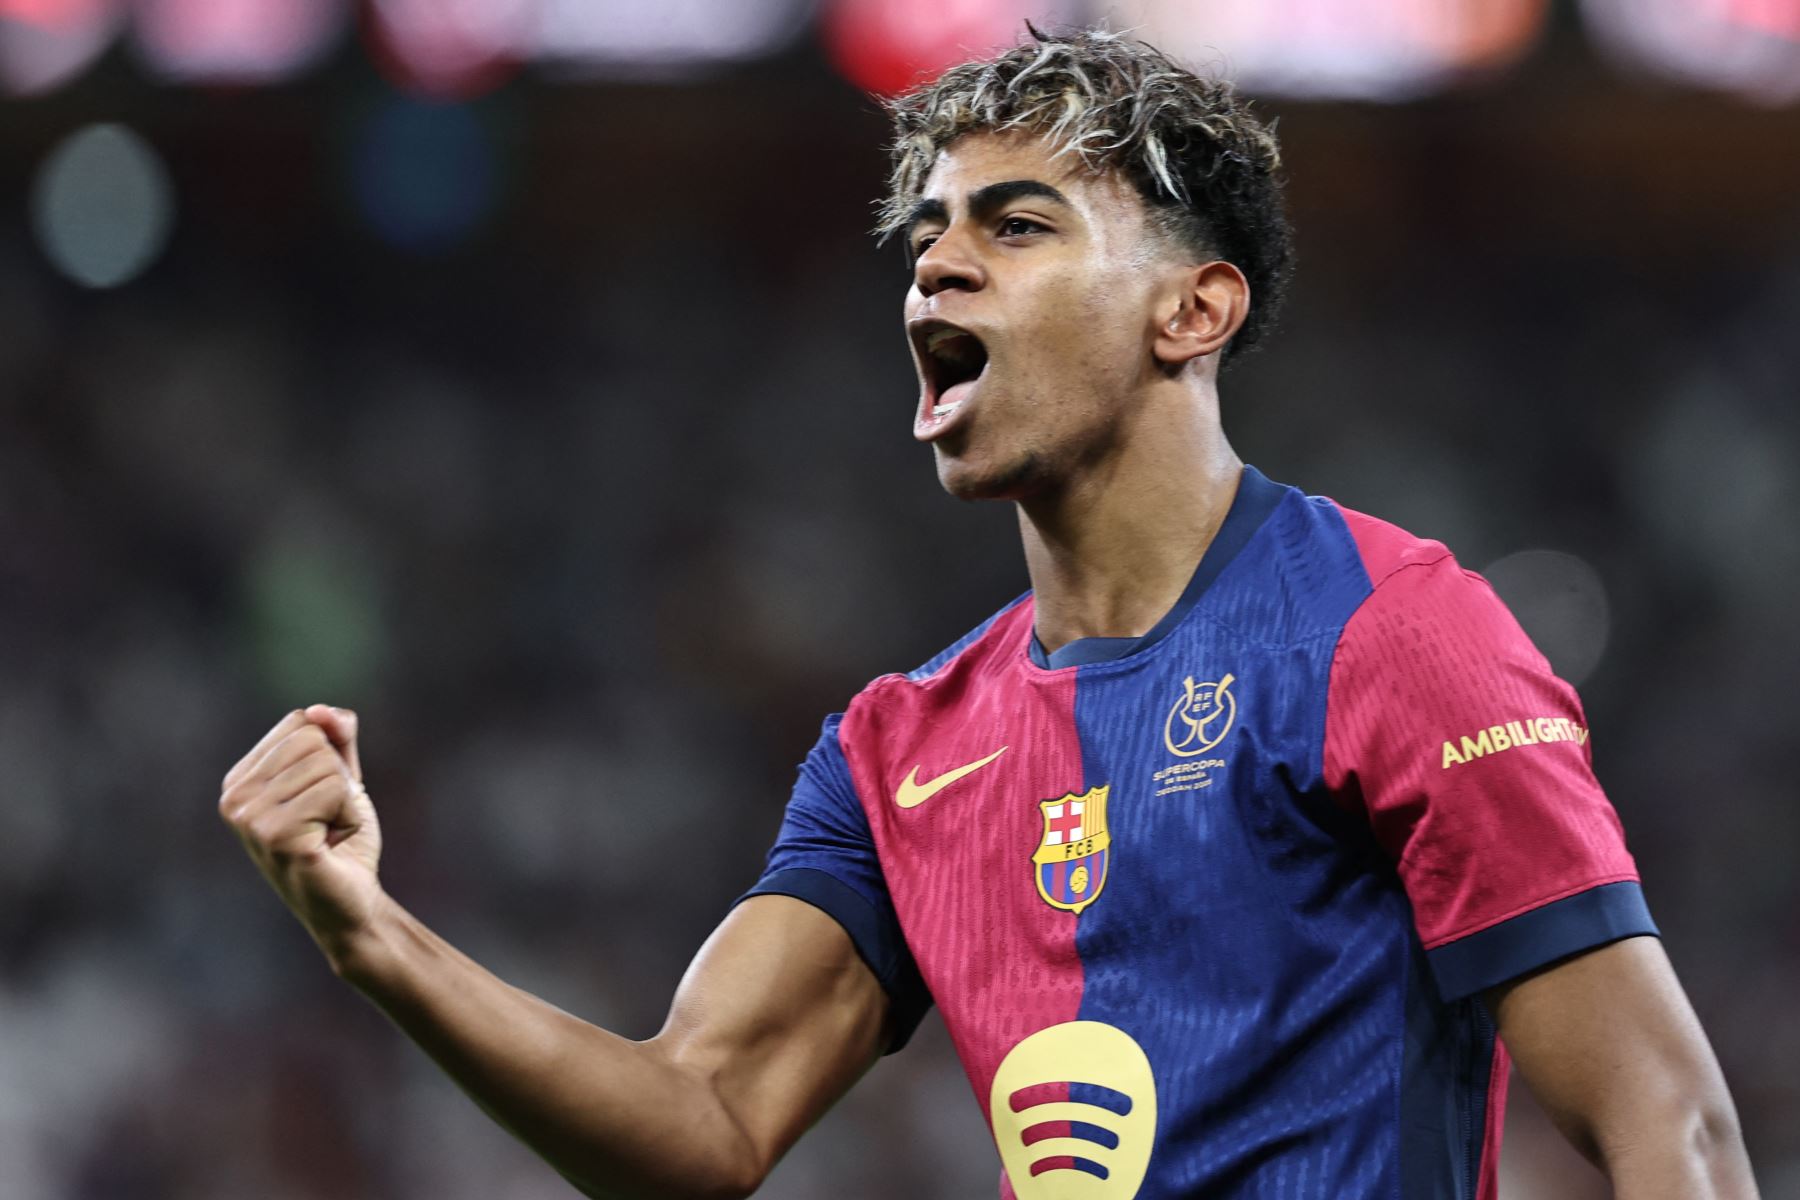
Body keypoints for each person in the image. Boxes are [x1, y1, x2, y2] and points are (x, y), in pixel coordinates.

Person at [219, 27, 1758, 1200]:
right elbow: (700, 1114)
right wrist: (374, 940)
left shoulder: (1391, 633)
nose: (935, 271)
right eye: (930, 238)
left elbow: (1667, 1129)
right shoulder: (899, 751)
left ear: (1192, 311)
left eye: (1016, 227)